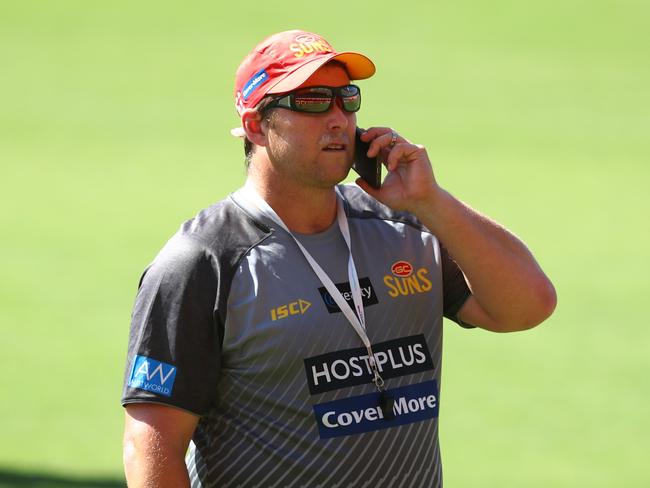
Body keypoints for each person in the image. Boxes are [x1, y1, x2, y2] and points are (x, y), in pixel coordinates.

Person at [121, 29, 556, 487]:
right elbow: (152, 446)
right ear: (254, 125)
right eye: (311, 101)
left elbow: (527, 307)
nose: (338, 119)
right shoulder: (204, 261)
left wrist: (433, 202)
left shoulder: (405, 226)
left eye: (346, 99)